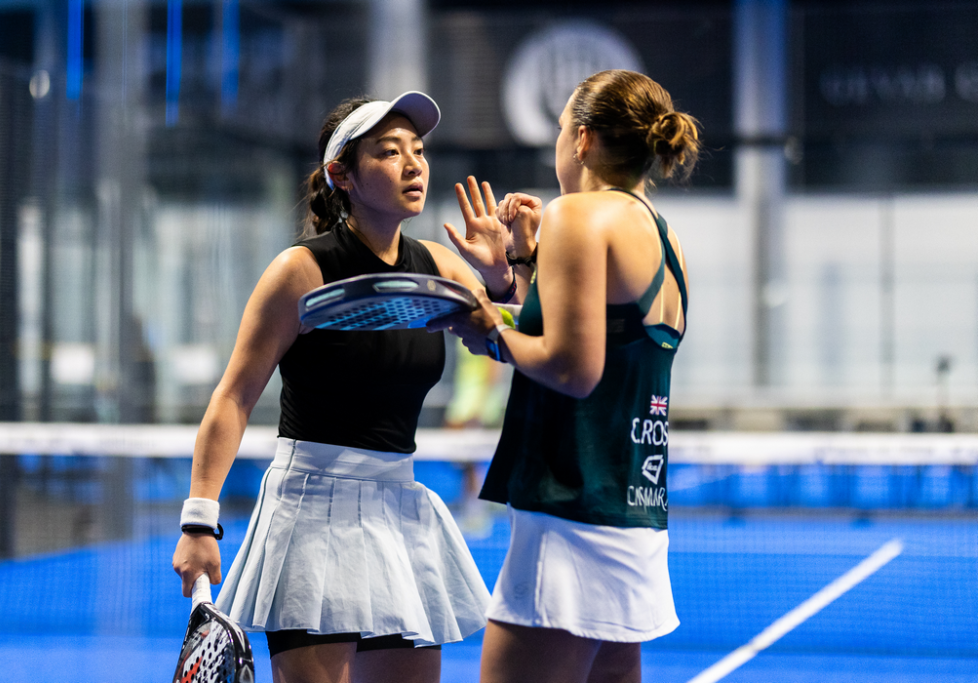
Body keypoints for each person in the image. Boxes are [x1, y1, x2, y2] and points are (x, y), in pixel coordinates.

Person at [172, 91, 529, 683]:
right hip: (310, 513)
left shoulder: (438, 266)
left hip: (399, 509)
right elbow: (234, 396)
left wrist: (504, 275)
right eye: (389, 152)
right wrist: (198, 520)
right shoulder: (299, 271)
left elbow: (526, 339)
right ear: (343, 176)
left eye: (418, 150)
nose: (413, 164)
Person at [432, 69, 700, 683]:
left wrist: (489, 330)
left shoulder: (577, 215)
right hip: (632, 513)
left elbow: (574, 369)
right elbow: (591, 336)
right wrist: (518, 266)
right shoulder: (664, 237)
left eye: (559, 131)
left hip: (571, 513)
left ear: (582, 140)